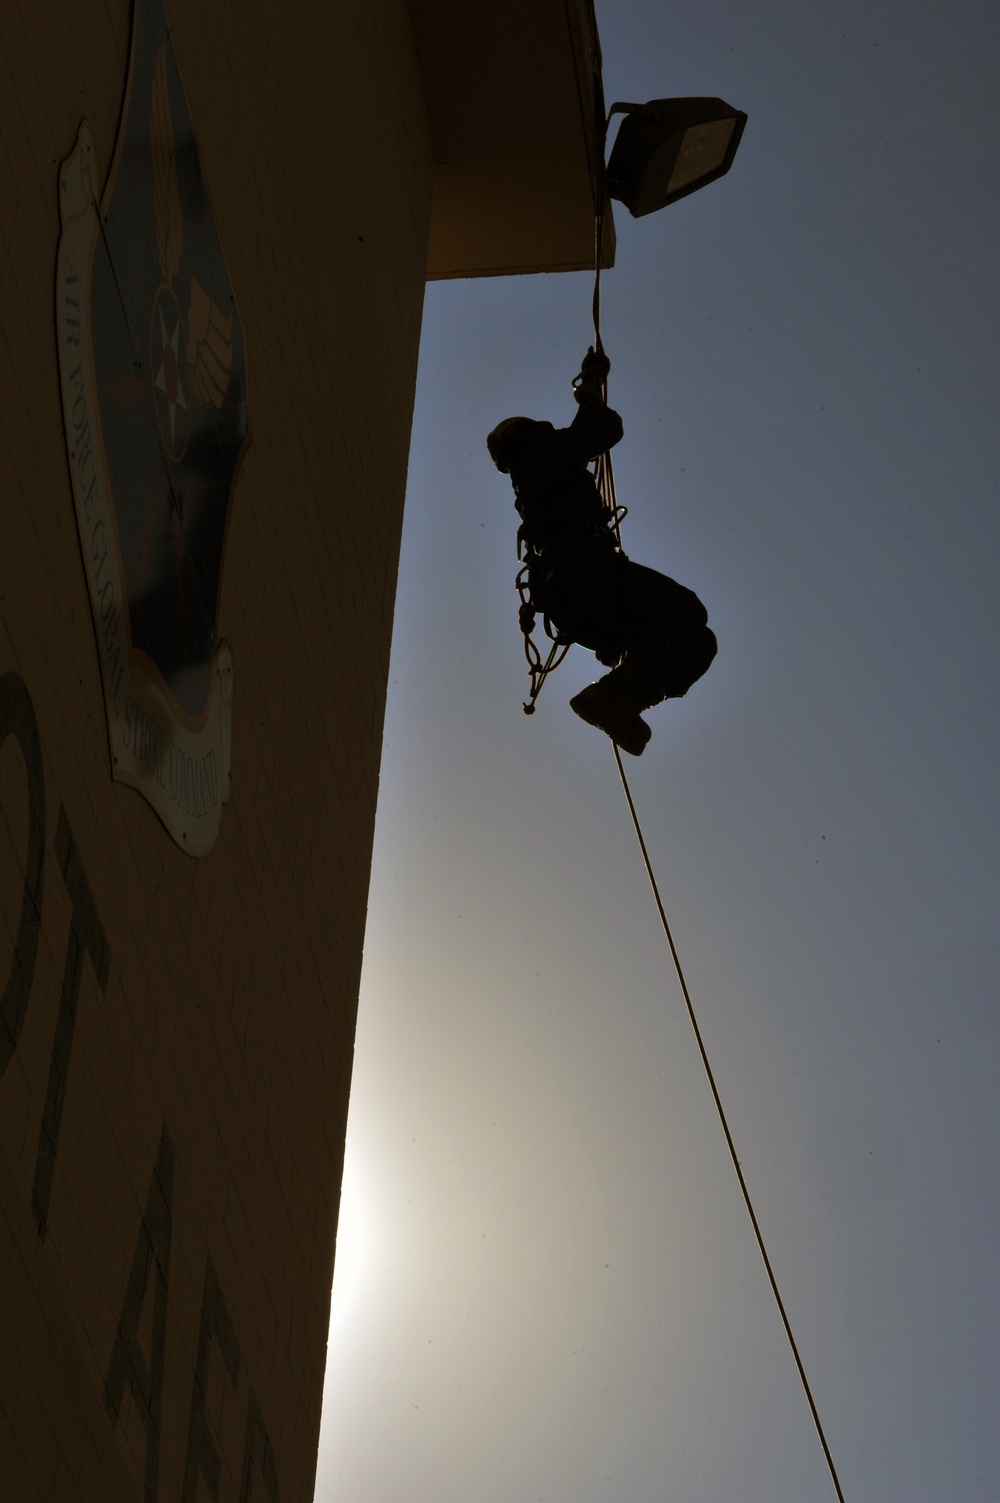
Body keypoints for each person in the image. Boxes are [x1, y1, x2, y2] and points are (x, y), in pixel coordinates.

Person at [487, 348, 717, 756]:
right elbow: (603, 430)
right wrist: (592, 395)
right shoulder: (543, 455)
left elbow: (580, 440)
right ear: (529, 435)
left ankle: (624, 702)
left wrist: (590, 385)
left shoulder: (536, 474)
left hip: (575, 600)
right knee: (686, 612)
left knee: (698, 643)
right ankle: (613, 694)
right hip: (587, 575)